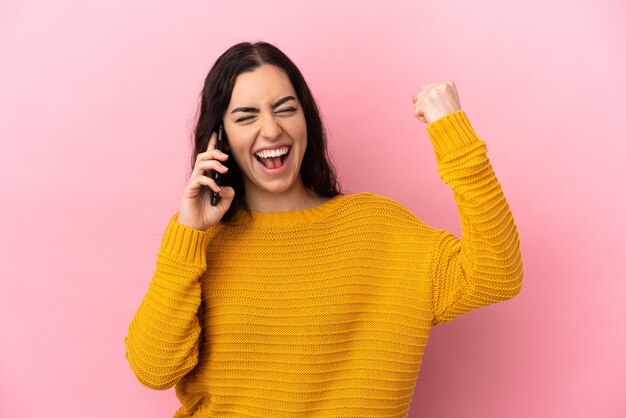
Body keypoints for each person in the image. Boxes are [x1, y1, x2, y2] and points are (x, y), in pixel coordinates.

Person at [124, 40, 523, 418]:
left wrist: (453, 134)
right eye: (246, 116)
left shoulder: (377, 228)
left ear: (306, 120)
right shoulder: (198, 240)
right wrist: (189, 233)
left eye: (285, 109)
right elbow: (154, 370)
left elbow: (496, 273)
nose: (271, 130)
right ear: (219, 136)